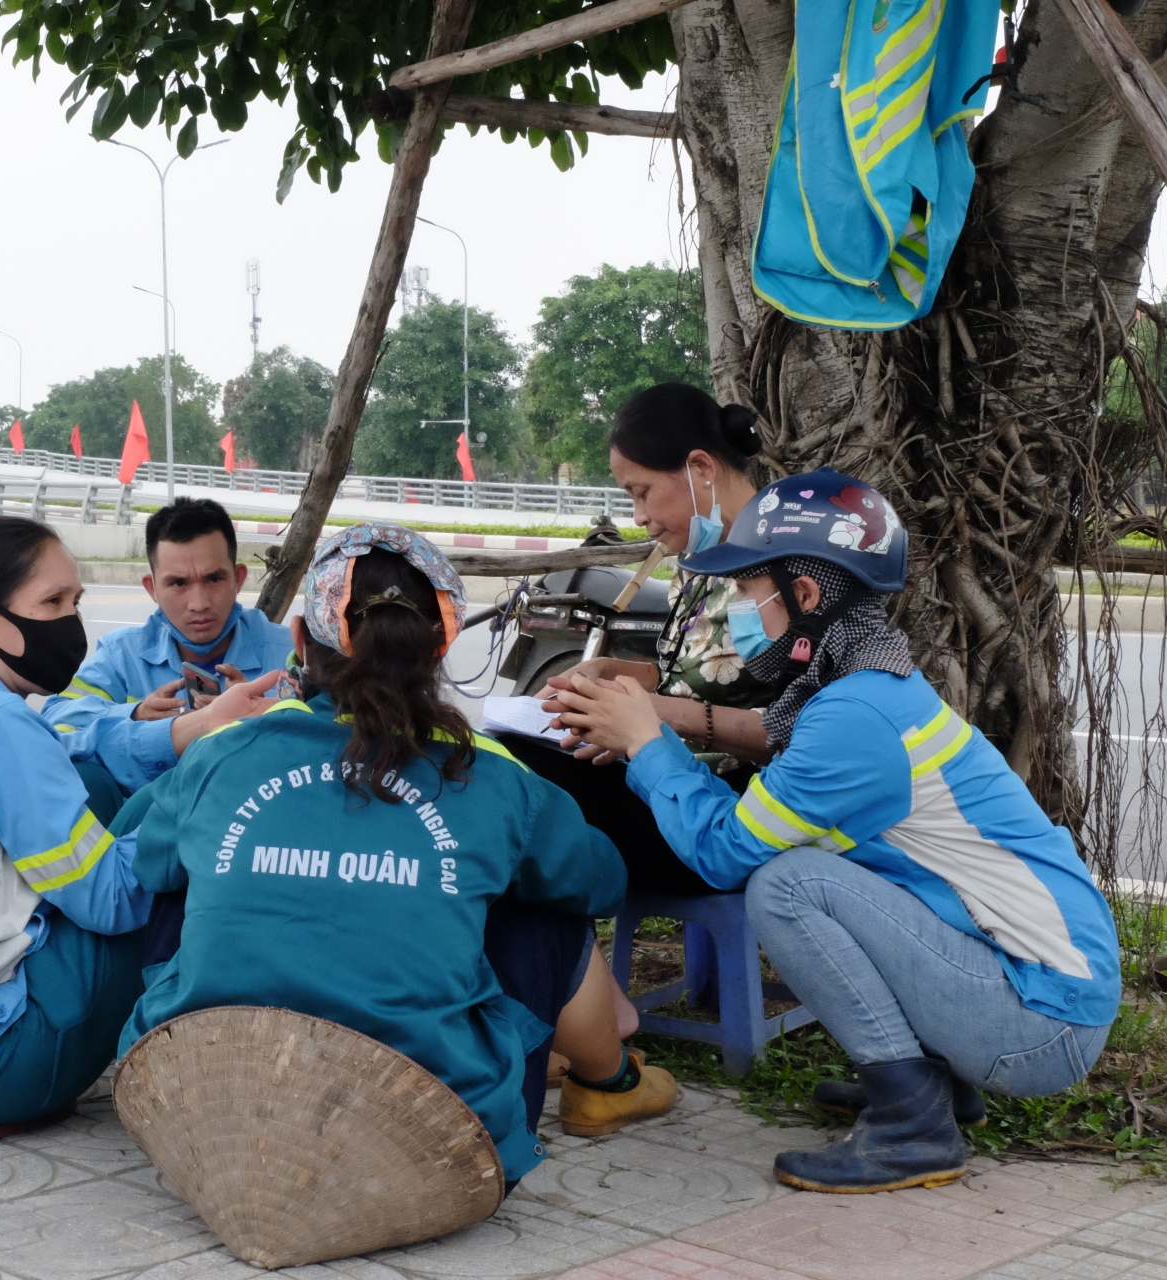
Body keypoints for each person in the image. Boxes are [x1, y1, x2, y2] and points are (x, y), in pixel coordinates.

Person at [549, 469, 1120, 1193]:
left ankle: (914, 1125)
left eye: (752, 592)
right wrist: (651, 717)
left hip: (1040, 1026)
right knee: (813, 869)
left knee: (785, 884)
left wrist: (646, 746)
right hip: (1033, 992)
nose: (742, 608)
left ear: (806, 597)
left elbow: (722, 852)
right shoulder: (864, 689)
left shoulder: (852, 720)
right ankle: (933, 1081)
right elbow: (773, 751)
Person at [117, 523, 675, 1187]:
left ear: (299, 641)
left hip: (208, 1101)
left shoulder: (221, 752)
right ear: (440, 647)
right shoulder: (491, 777)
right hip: (424, 1126)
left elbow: (144, 862)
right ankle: (608, 1082)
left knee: (182, 871)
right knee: (549, 903)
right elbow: (601, 881)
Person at [0, 516, 280, 1143]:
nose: (71, 622)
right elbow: (112, 899)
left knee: (100, 794)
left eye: (75, 602)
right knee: (164, 872)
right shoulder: (2, 725)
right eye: (52, 602)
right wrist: (205, 782)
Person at [496, 383, 772, 900]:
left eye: (641, 492)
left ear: (701, 469)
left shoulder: (786, 565)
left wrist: (649, 723)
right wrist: (614, 678)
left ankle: (563, 975)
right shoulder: (699, 560)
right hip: (667, 777)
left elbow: (807, 733)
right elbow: (695, 676)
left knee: (514, 809)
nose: (639, 517)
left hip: (732, 814)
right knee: (504, 758)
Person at [42, 497, 293, 796]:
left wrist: (262, 725)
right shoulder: (122, 656)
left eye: (214, 579)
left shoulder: (292, 654)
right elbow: (54, 729)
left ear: (238, 579)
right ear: (152, 588)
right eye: (178, 584)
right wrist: (134, 714)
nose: (199, 604)